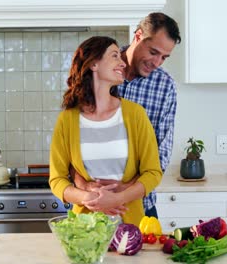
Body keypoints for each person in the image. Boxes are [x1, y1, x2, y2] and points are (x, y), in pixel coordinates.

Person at [72, 12, 181, 218]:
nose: (157, 62)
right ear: (138, 36)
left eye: (164, 57)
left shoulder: (165, 86)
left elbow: (161, 152)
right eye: (153, 52)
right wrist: (85, 186)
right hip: (91, 205)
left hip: (139, 204)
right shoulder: (98, 69)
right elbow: (73, 145)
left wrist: (125, 190)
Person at [49, 36, 162, 226]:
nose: (122, 63)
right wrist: (89, 198)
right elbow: (57, 180)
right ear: (94, 64)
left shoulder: (135, 114)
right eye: (115, 56)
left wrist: (118, 198)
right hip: (84, 230)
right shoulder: (67, 120)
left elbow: (153, 173)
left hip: (131, 226)